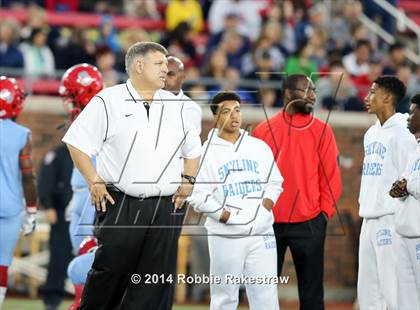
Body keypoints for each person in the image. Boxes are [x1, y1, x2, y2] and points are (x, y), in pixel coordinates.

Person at [62, 41, 201, 310]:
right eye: (159, 63)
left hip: (166, 205)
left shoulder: (177, 106)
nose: (165, 69)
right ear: (139, 66)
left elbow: (193, 149)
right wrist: (94, 180)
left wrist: (189, 180)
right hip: (122, 202)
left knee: (155, 280)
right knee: (109, 271)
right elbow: (76, 142)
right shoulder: (108, 100)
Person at [253, 74, 342, 310]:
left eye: (313, 90)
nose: (313, 95)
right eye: (306, 90)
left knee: (312, 294)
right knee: (263, 291)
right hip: (269, 222)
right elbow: (255, 178)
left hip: (311, 221)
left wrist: (324, 214)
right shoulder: (263, 130)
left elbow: (331, 177)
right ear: (288, 94)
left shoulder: (323, 130)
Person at [188, 91, 283, 310]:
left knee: (266, 295)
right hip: (226, 235)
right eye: (226, 111)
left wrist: (263, 210)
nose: (234, 116)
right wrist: (226, 216)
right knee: (224, 298)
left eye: (237, 110)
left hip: (261, 233)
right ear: (216, 117)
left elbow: (275, 183)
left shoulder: (258, 147)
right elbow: (198, 196)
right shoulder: (205, 153)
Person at [357, 76, 418, 309]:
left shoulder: (404, 133)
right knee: (368, 290)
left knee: (392, 290)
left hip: (390, 220)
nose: (367, 97)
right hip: (369, 218)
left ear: (388, 97)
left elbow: (408, 179)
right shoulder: (370, 133)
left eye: (373, 92)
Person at [0, 76, 38, 307]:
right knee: (2, 265)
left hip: (10, 210)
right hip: (11, 209)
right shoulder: (21, 134)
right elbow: (28, 176)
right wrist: (32, 211)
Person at [59, 63, 104, 254]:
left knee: (88, 256)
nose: (67, 103)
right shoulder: (81, 120)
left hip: (91, 196)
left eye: (70, 97)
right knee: (78, 255)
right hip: (79, 194)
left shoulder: (101, 118)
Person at [389, 93, 420, 309]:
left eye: (412, 112)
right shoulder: (416, 147)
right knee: (405, 300)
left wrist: (406, 186)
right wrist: (399, 187)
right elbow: (407, 181)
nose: (408, 116)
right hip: (405, 230)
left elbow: (411, 184)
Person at [37, 142, 74, 310]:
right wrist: (48, 205)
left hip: (88, 215)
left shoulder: (95, 151)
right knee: (59, 256)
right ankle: (52, 297)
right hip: (61, 214)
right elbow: (46, 180)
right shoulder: (58, 154)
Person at [164, 55, 202, 134]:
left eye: (170, 74)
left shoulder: (191, 108)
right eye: (163, 73)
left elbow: (190, 143)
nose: (165, 78)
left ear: (183, 78)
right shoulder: (149, 101)